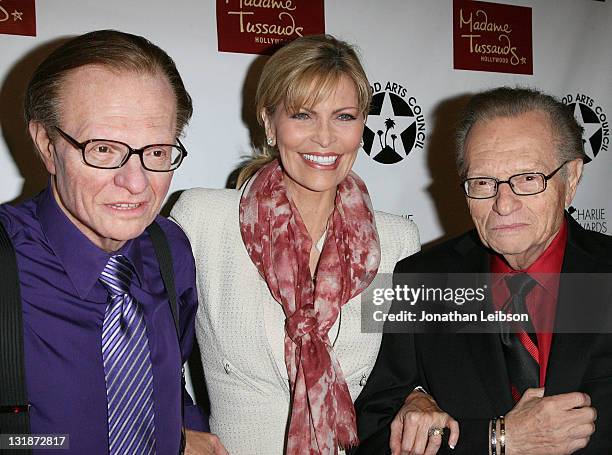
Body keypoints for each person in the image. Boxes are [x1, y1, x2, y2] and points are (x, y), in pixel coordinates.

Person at [170, 34, 420, 454]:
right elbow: (143, 350)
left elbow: (411, 373)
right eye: (303, 115)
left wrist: (419, 394)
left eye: (344, 116)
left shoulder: (397, 240)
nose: (325, 138)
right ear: (269, 123)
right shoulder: (203, 220)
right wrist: (177, 430)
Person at [0, 30, 227, 454]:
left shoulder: (170, 247)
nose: (136, 183)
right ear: (46, 145)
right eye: (103, 149)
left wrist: (182, 433)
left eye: (157, 152)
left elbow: (167, 375)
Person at [354, 87, 612, 454]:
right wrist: (497, 438)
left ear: (570, 179)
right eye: (483, 183)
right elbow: (372, 437)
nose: (503, 205)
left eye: (527, 178)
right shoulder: (420, 278)